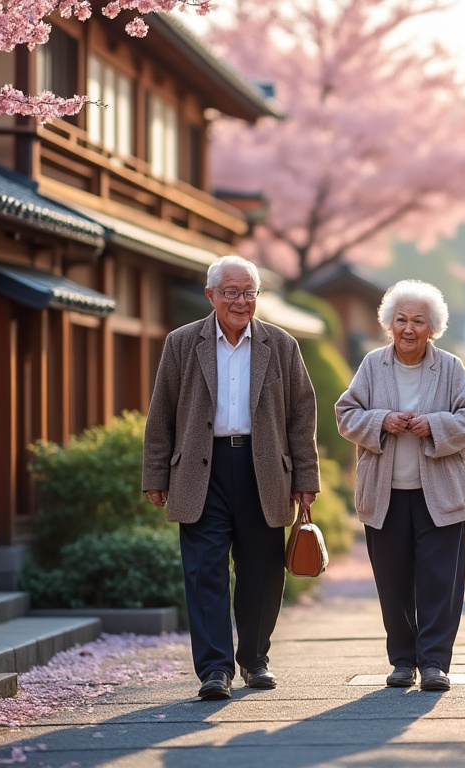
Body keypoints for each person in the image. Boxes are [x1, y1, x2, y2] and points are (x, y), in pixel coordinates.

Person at [142, 255, 320, 701]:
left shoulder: (282, 345)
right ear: (211, 295)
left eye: (249, 293)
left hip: (264, 469)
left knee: (262, 570)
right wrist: (156, 472)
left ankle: (255, 659)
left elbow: (302, 415)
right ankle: (214, 669)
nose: (241, 301)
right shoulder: (183, 343)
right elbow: (161, 412)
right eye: (231, 292)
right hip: (201, 468)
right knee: (204, 570)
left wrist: (306, 477)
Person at [335, 280, 465, 691]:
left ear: (432, 327)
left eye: (418, 321)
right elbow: (346, 413)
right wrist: (380, 420)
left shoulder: (450, 367)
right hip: (384, 495)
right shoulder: (372, 365)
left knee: (439, 582)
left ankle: (434, 663)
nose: (408, 328)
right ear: (389, 324)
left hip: (441, 494)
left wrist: (434, 425)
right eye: (401, 319)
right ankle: (402, 661)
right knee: (393, 581)